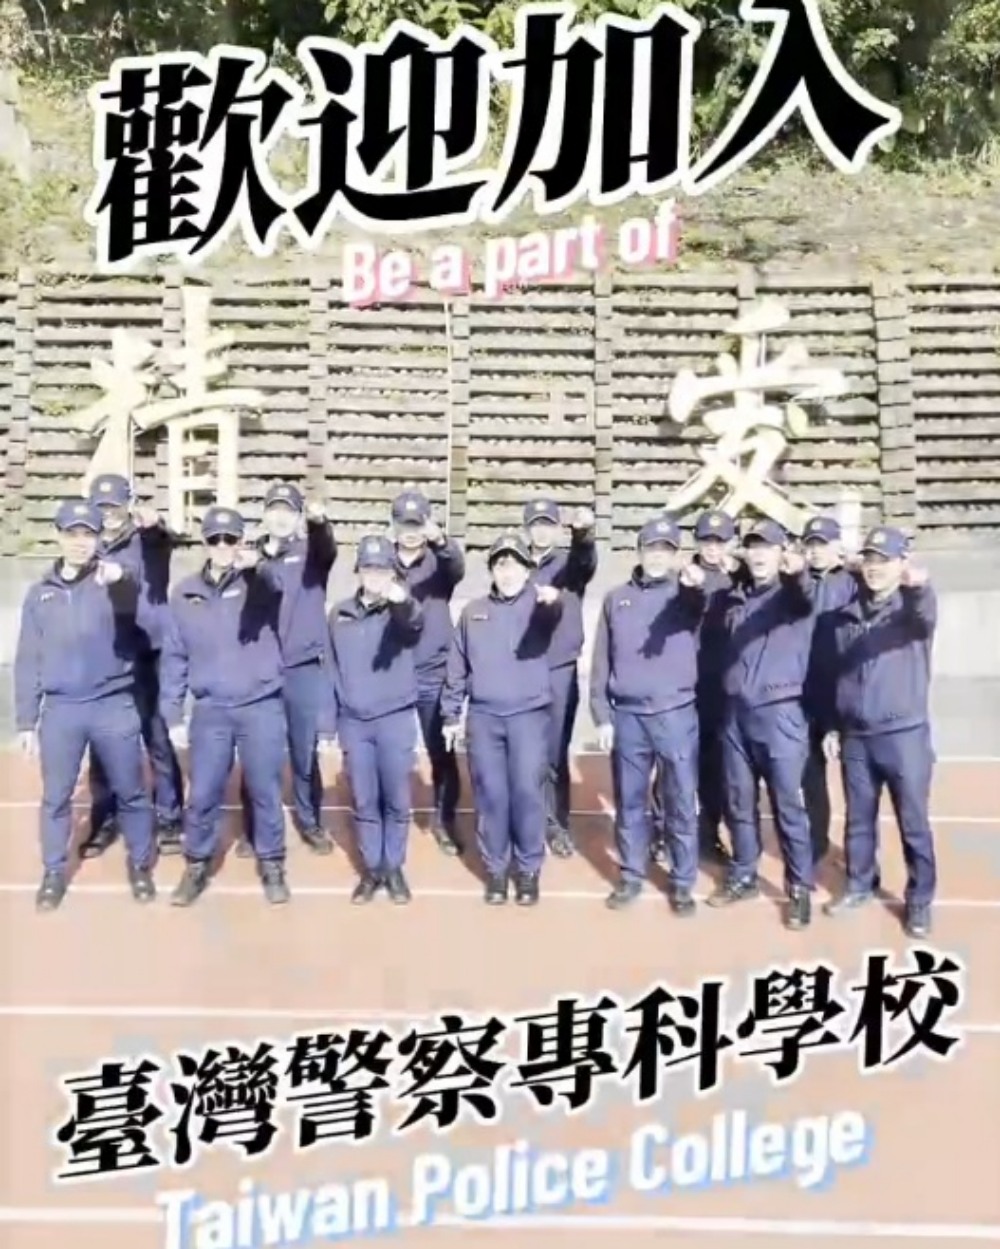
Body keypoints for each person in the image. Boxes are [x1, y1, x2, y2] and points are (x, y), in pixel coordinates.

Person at [13, 499, 157, 911]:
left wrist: (120, 578)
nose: (79, 542)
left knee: (131, 791)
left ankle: (140, 865)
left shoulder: (113, 580)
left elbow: (136, 593)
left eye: (88, 534)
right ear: (58, 536)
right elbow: (28, 658)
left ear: (98, 539)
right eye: (72, 534)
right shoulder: (40, 594)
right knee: (56, 797)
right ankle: (53, 872)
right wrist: (26, 721)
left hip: (113, 704)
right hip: (62, 710)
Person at [160, 506, 289, 908]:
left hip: (259, 705)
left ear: (241, 542)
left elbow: (276, 582)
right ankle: (196, 865)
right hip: (211, 709)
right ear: (204, 542)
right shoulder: (185, 593)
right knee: (202, 792)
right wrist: (172, 712)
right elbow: (174, 655)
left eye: (229, 539)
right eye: (214, 539)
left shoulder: (258, 581)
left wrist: (257, 565)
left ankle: (272, 864)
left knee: (265, 790)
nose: (222, 546)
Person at [823, 526, 937, 938]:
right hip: (856, 735)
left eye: (883, 561)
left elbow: (924, 613)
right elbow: (839, 673)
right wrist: (834, 726)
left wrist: (919, 587)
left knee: (913, 821)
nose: (875, 568)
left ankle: (919, 900)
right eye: (870, 560)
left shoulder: (911, 611)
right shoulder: (848, 613)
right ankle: (859, 883)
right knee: (858, 819)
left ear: (901, 564)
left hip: (903, 736)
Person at [590, 517, 706, 915]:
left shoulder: (683, 595)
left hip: (674, 715)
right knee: (629, 801)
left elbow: (696, 605)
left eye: (665, 550)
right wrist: (601, 715)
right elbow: (601, 661)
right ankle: (631, 875)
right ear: (639, 551)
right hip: (628, 717)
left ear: (675, 555)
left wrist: (694, 587)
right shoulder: (616, 599)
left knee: (680, 802)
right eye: (651, 548)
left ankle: (682, 882)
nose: (657, 556)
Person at [441, 531, 563, 906]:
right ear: (492, 570)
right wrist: (450, 713)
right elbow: (457, 666)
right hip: (484, 718)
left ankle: (527, 871)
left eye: (515, 565)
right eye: (500, 564)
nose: (507, 572)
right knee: (491, 796)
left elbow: (552, 615)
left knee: (527, 794)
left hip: (528, 716)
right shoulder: (473, 612)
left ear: (528, 570)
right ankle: (496, 869)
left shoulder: (539, 605)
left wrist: (553, 602)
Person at [707, 519, 817, 929]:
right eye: (753, 546)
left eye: (767, 547)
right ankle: (744, 875)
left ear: (781, 552)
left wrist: (797, 573)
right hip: (736, 714)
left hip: (780, 715)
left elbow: (804, 594)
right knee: (739, 802)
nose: (759, 554)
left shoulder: (791, 596)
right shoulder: (735, 597)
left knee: (788, 805)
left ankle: (799, 888)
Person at [81, 472, 183, 860]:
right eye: (102, 506)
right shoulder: (87, 542)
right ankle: (105, 819)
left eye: (115, 505)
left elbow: (164, 538)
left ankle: (169, 817)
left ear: (129, 504)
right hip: (105, 651)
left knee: (156, 736)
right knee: (102, 741)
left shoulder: (147, 540)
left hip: (148, 651)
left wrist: (155, 524)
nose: (108, 513)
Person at [236, 482, 338, 858]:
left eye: (288, 511)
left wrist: (319, 521)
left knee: (304, 751)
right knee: (257, 752)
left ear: (297, 517)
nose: (280, 517)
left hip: (302, 669)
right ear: (264, 514)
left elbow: (327, 546)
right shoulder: (248, 554)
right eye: (274, 509)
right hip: (260, 669)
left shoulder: (310, 553)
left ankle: (310, 821)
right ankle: (253, 829)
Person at [328, 534, 424, 904]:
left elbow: (413, 623)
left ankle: (394, 867)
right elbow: (331, 669)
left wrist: (403, 602)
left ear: (393, 574)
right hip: (355, 722)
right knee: (365, 799)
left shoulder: (400, 610)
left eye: (382, 569)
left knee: (396, 799)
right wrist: (329, 720)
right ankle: (373, 870)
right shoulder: (340, 614)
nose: (375, 575)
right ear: (358, 571)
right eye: (369, 568)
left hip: (394, 719)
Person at [652, 508, 742, 867]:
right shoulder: (682, 577)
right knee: (673, 762)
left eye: (720, 541)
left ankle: (708, 833)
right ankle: (663, 832)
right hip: (683, 684)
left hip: (721, 686)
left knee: (715, 766)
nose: (713, 548)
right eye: (707, 540)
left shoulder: (738, 579)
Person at [390, 489, 465, 856]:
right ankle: (389, 819)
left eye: (417, 524)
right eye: (405, 524)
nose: (411, 532)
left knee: (441, 752)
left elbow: (457, 566)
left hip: (433, 671)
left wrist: (441, 540)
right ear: (394, 525)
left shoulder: (438, 562)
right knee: (390, 751)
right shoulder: (381, 561)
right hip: (392, 670)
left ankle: (445, 820)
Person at [523, 498, 598, 857]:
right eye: (536, 524)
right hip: (522, 668)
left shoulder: (568, 565)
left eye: (547, 524)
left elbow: (585, 560)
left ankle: (555, 824)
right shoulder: (514, 562)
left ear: (557, 529)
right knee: (523, 753)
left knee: (554, 753)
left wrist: (583, 535)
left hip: (558, 670)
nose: (541, 531)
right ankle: (526, 819)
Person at [801, 514, 858, 864]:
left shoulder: (854, 582)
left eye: (823, 545)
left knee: (857, 782)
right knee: (811, 776)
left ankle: (859, 855)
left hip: (845, 692)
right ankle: (816, 842)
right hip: (808, 694)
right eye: (811, 545)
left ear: (837, 546)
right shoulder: (797, 583)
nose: (816, 551)